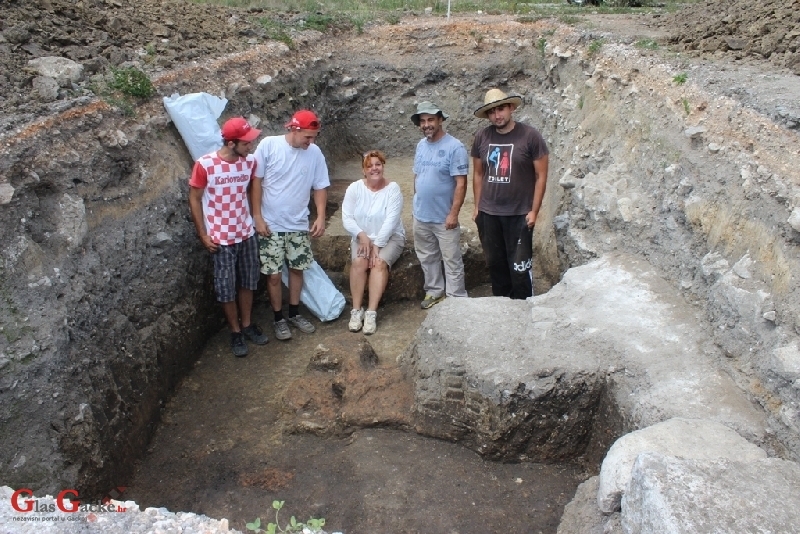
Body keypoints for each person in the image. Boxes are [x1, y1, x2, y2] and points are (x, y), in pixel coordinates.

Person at [188, 117, 269, 357]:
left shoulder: (249, 162)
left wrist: (256, 216)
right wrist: (203, 234)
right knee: (226, 288)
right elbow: (194, 198)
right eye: (246, 143)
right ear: (232, 143)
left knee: (248, 282)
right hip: (220, 240)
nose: (251, 146)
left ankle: (247, 325)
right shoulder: (205, 165)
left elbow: (255, 185)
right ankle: (235, 332)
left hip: (245, 234)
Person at [251, 110, 330, 341]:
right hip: (271, 225)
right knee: (273, 275)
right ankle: (278, 318)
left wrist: (321, 216)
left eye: (314, 137)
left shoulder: (314, 153)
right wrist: (257, 216)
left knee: (297, 269)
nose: (311, 142)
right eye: (308, 137)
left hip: (298, 224)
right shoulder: (269, 146)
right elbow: (256, 181)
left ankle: (294, 313)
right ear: (294, 130)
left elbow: (321, 186)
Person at [471, 88, 549, 299]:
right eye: (492, 111)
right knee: (497, 268)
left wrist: (534, 211)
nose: (497, 115)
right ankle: (503, 313)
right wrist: (478, 207)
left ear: (511, 108)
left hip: (518, 214)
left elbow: (541, 176)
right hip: (489, 214)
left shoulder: (530, 137)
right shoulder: (482, 137)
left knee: (520, 269)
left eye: (501, 109)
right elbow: (478, 174)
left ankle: (524, 311)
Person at [410, 101, 470, 309]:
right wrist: (416, 204)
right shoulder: (420, 146)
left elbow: (461, 183)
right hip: (421, 216)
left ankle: (456, 299)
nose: (427, 124)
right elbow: (417, 176)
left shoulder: (455, 147)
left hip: (444, 217)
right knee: (427, 258)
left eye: (431, 120)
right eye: (423, 121)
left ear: (440, 120)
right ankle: (434, 292)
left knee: (452, 260)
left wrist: (453, 214)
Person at [342, 150, 405, 335]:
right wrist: (362, 236)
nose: (374, 169)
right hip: (363, 237)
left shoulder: (393, 189)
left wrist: (376, 246)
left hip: (390, 237)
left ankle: (371, 312)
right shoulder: (354, 188)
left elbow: (391, 220)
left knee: (378, 263)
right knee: (359, 262)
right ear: (363, 170)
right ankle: (356, 310)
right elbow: (347, 218)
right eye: (369, 166)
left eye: (378, 164)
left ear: (383, 166)